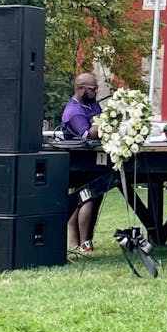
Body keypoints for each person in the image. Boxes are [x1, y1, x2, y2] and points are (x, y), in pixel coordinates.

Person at [61, 72, 104, 253]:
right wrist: (106, 122)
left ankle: (77, 241)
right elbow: (87, 133)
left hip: (94, 160)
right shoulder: (73, 111)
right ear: (81, 89)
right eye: (93, 88)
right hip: (79, 162)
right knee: (87, 196)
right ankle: (83, 242)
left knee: (91, 196)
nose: (96, 92)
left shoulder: (92, 105)